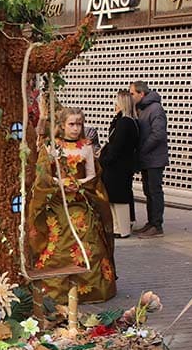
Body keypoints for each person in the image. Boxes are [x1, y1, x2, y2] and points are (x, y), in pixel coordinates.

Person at [25, 107, 116, 303]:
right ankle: (54, 290)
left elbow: (92, 175)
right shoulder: (51, 147)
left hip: (80, 202)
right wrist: (60, 183)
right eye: (72, 124)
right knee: (56, 243)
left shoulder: (86, 147)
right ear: (62, 125)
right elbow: (43, 176)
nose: (76, 128)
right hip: (57, 203)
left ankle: (90, 289)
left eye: (79, 124)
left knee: (88, 240)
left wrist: (79, 184)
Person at [129, 81, 168, 238]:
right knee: (148, 191)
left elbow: (158, 134)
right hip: (146, 158)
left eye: (132, 94)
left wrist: (143, 149)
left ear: (141, 94)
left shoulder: (155, 109)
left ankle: (157, 225)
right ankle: (151, 222)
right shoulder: (142, 108)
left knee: (154, 191)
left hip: (154, 159)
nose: (131, 97)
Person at [99, 90, 140, 238]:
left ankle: (122, 228)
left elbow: (117, 145)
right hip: (120, 165)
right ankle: (117, 227)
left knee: (119, 197)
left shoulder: (125, 123)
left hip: (118, 166)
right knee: (113, 197)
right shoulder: (125, 121)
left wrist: (105, 159)